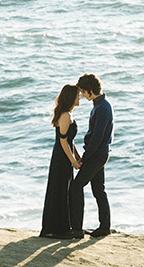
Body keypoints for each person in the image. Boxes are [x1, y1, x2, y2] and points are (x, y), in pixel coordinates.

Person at [65, 73, 114, 239]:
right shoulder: (99, 105)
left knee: (77, 186)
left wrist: (84, 158)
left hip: (97, 155)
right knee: (99, 190)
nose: (82, 95)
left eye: (83, 92)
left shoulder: (102, 108)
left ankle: (77, 228)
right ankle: (104, 227)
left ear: (90, 91)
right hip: (99, 154)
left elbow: (97, 138)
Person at [39, 84, 82, 238]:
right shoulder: (65, 116)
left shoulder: (68, 114)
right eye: (78, 95)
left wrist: (77, 155)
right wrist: (73, 161)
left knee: (64, 189)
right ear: (71, 97)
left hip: (65, 155)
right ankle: (56, 229)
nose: (80, 97)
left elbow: (70, 140)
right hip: (61, 157)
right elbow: (63, 142)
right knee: (60, 190)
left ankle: (62, 227)